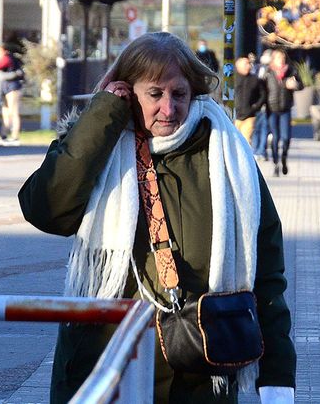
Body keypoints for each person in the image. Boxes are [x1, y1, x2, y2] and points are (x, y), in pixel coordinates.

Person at [18, 32, 295, 404]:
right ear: (127, 90)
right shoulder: (96, 142)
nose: (168, 109)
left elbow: (267, 272)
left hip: (197, 375)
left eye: (178, 94)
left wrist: (276, 378)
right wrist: (103, 116)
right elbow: (46, 211)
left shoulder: (228, 157)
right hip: (107, 369)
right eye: (155, 94)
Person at [264, 50, 301, 176]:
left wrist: (295, 85)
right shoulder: (268, 72)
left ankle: (284, 158)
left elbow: (301, 85)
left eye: (283, 57)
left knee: (286, 138)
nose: (281, 60)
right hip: (271, 108)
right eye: (278, 57)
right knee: (275, 137)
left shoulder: (291, 70)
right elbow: (261, 89)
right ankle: (276, 163)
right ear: (273, 59)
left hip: (285, 108)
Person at [233, 56, 267, 144]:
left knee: (245, 141)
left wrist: (256, 106)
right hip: (234, 116)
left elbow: (263, 94)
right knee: (234, 141)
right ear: (238, 66)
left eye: (249, 64)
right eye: (245, 64)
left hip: (250, 115)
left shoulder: (255, 79)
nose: (248, 66)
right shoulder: (232, 79)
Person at [251, 50, 273, 160]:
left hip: (267, 103)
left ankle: (261, 151)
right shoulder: (257, 69)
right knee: (256, 128)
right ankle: (255, 150)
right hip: (257, 103)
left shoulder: (271, 71)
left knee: (264, 128)